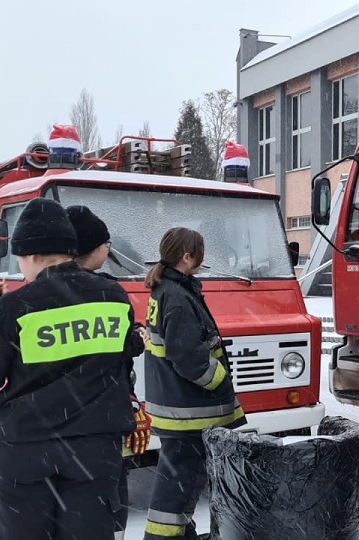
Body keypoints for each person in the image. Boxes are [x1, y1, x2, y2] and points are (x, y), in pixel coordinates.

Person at [0, 198, 144, 540]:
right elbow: (122, 357)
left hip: (27, 449)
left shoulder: (14, 308)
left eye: (18, 259)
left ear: (30, 254)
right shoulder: (113, 297)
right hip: (94, 449)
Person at [142, 227, 245, 540]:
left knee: (180, 481)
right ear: (187, 257)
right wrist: (220, 382)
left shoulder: (169, 290)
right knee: (179, 485)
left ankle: (179, 534)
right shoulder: (176, 297)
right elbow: (188, 357)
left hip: (178, 407)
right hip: (188, 411)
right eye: (200, 253)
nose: (203, 258)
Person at [67, 204, 151, 540]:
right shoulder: (109, 292)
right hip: (103, 413)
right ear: (94, 248)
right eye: (107, 244)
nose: (109, 250)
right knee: (110, 493)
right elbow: (121, 347)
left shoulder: (43, 292)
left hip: (61, 419)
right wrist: (138, 338)